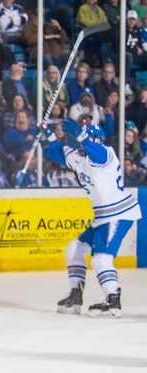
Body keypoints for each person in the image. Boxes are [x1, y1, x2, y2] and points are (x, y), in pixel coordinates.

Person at [45, 120, 139, 317]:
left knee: (101, 259)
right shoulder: (80, 158)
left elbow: (96, 152)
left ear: (97, 140)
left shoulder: (107, 154)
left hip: (117, 213)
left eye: (87, 139)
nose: (81, 144)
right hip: (102, 217)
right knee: (75, 248)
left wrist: (82, 135)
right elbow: (56, 151)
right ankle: (75, 294)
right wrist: (47, 135)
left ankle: (113, 300)